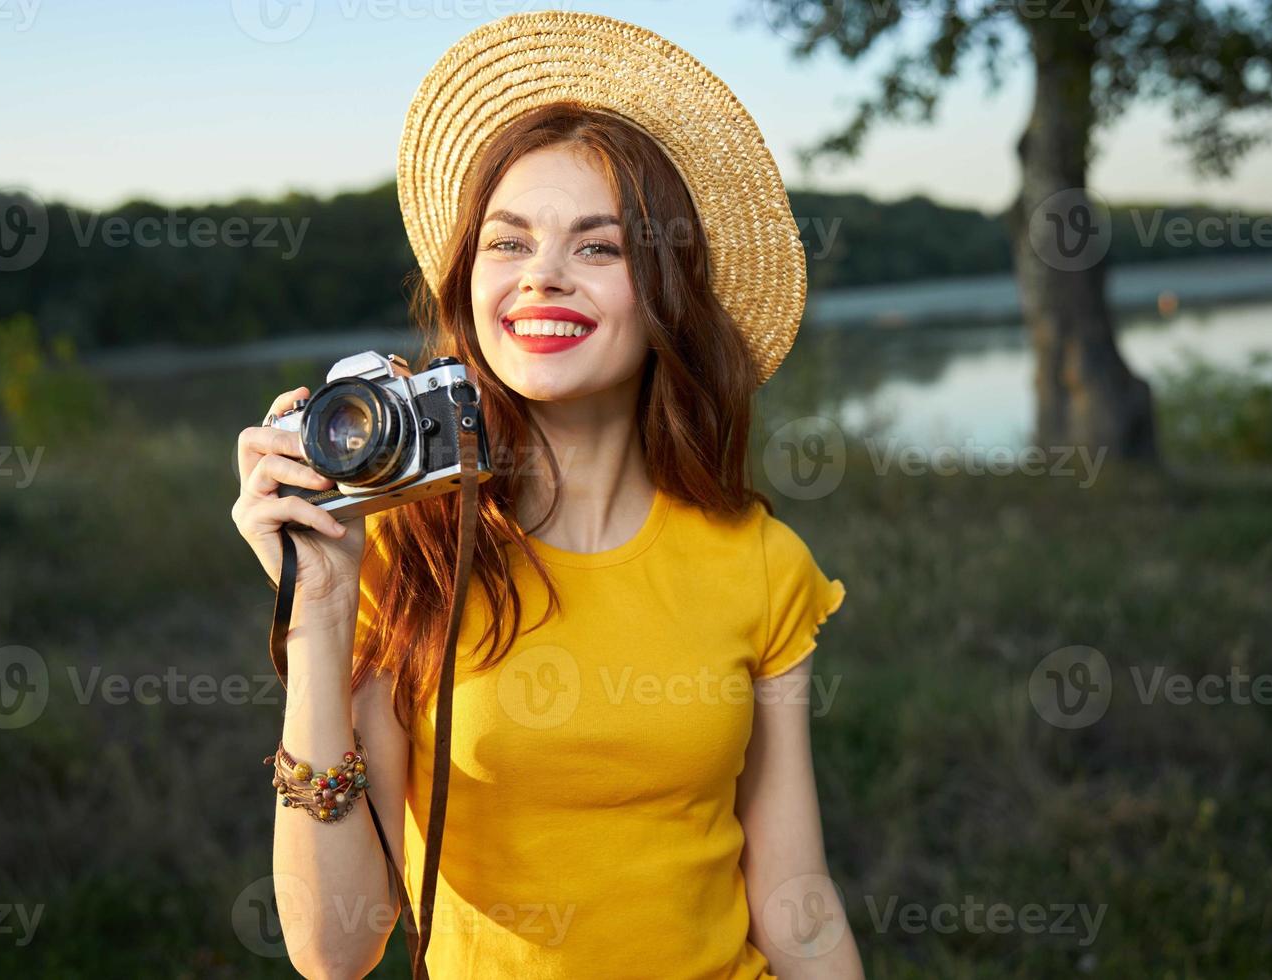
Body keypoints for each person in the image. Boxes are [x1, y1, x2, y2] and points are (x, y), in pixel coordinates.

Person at [232, 12, 863, 978]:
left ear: (669, 291)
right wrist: (317, 611)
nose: (543, 281)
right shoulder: (406, 552)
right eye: (509, 242)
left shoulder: (760, 561)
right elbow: (336, 949)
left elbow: (800, 908)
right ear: (469, 280)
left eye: (599, 248)